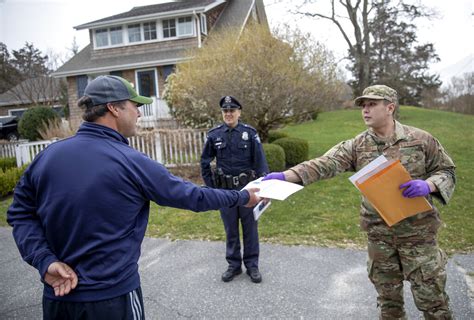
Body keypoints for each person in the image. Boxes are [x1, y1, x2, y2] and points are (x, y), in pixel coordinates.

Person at [7, 76, 261, 320]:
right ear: (114, 108)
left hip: (57, 301)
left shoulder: (46, 157)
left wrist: (44, 261)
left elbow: (19, 214)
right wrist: (241, 197)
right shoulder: (131, 162)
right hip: (112, 300)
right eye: (135, 106)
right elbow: (191, 196)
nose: (139, 113)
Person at [263, 85, 456, 319]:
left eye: (372, 104)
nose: (365, 110)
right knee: (389, 305)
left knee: (433, 302)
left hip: (418, 235)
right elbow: (324, 164)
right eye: (363, 105)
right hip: (380, 237)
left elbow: (446, 170)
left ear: (390, 108)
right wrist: (285, 176)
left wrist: (430, 185)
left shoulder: (421, 140)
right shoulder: (357, 145)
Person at [200, 95, 269, 283]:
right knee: (230, 229)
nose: (228, 114)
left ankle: (252, 265)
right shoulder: (214, 135)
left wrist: (264, 189)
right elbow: (205, 162)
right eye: (225, 111)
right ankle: (234, 265)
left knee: (250, 229)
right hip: (225, 192)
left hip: (248, 190)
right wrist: (211, 188)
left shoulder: (250, 133)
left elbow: (260, 162)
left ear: (239, 112)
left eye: (232, 110)